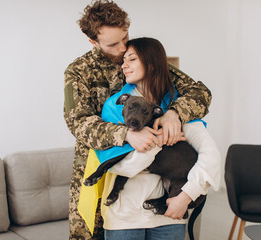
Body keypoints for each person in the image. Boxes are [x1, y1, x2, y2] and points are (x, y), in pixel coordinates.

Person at [63, 1, 212, 239]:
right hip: (102, 170)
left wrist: (175, 113)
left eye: (125, 38)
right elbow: (77, 122)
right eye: (113, 44)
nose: (123, 49)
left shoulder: (141, 58)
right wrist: (126, 134)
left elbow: (200, 93)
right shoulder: (79, 72)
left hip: (155, 179)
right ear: (93, 42)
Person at [98, 37, 221, 240]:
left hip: (169, 214)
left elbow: (211, 156)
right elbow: (115, 166)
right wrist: (156, 142)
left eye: (131, 59)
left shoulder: (180, 106)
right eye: (123, 60)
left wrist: (186, 196)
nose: (123, 65)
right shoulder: (116, 105)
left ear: (151, 63)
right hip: (124, 216)